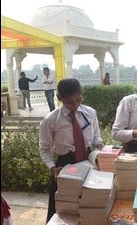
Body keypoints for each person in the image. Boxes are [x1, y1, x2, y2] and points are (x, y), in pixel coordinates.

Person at [39, 77, 104, 223]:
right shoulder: (51, 120)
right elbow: (44, 149)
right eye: (70, 102)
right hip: (65, 166)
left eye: (79, 100)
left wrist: (99, 144)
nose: (75, 105)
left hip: (88, 161)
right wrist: (53, 168)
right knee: (63, 210)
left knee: (88, 205)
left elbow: (96, 136)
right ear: (59, 98)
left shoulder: (90, 113)